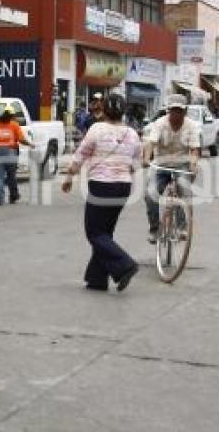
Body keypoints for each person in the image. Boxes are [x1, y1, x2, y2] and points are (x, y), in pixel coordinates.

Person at [62, 94, 141, 293]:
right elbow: (137, 162)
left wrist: (69, 175)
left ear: (103, 110)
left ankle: (125, 264)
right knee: (105, 233)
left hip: (102, 186)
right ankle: (97, 279)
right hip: (123, 187)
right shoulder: (132, 134)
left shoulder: (97, 129)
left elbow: (81, 153)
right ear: (124, 112)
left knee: (94, 233)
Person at [142, 94, 201, 244]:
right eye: (173, 110)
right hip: (160, 164)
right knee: (150, 194)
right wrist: (146, 158)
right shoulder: (160, 124)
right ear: (168, 111)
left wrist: (193, 165)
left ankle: (182, 227)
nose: (176, 114)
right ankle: (154, 229)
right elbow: (151, 143)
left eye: (179, 111)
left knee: (185, 191)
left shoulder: (192, 126)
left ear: (185, 111)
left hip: (181, 165)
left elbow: (194, 149)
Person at [0, 109, 32, 206]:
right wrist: (30, 144)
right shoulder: (14, 125)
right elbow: (21, 139)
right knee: (11, 176)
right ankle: (13, 196)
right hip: (11, 153)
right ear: (11, 117)